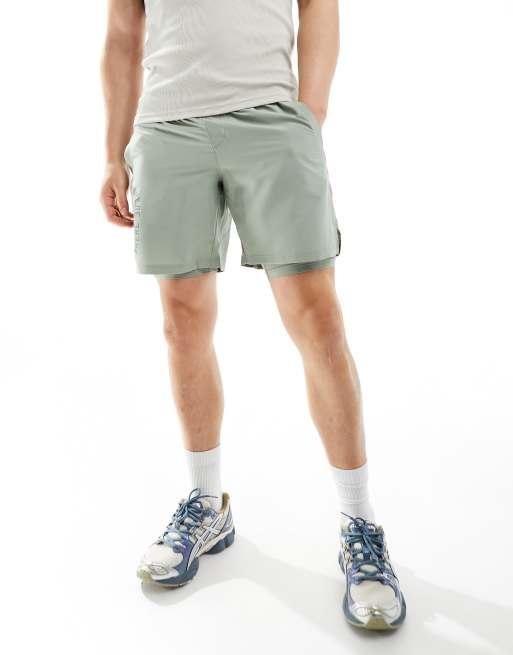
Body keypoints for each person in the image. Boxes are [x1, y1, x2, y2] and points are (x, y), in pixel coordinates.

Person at [100, 0, 406, 631]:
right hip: (167, 128)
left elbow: (318, 5)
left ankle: (359, 523)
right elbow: (123, 31)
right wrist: (112, 152)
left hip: (270, 119)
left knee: (317, 320)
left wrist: (310, 112)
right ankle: (207, 504)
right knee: (182, 322)